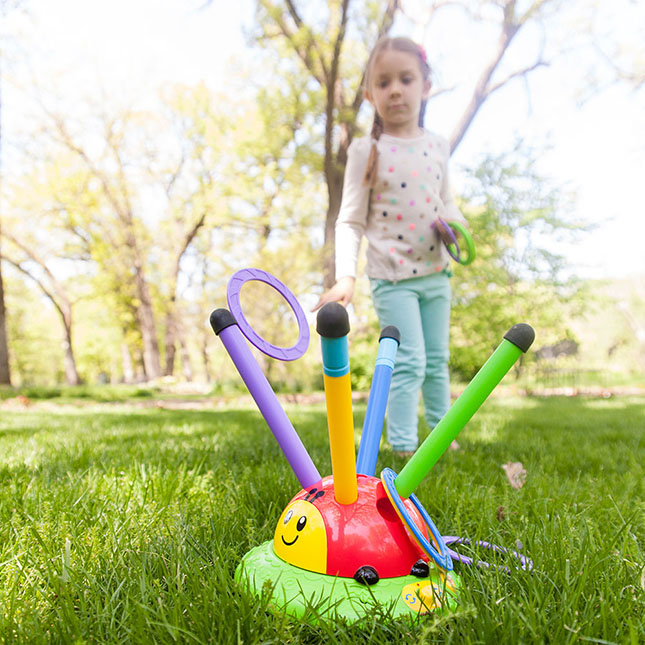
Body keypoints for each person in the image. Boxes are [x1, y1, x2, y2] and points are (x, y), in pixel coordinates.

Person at [313, 36, 467, 456]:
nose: (395, 89)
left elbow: (446, 200)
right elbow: (350, 219)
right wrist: (346, 276)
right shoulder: (367, 149)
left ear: (426, 85)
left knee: (437, 361)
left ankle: (440, 438)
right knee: (409, 360)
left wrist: (455, 224)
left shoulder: (437, 145)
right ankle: (403, 447)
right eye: (383, 83)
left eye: (405, 79)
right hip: (392, 277)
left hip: (437, 272)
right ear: (369, 94)